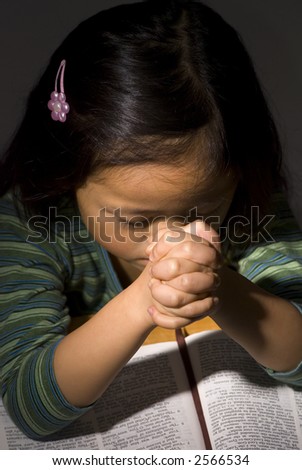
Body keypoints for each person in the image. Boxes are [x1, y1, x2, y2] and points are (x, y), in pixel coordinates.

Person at [0, 0, 301, 440]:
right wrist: (150, 298)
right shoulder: (31, 221)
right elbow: (30, 408)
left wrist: (215, 281)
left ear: (241, 172)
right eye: (136, 223)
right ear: (65, 173)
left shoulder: (253, 205)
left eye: (200, 214)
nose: (172, 242)